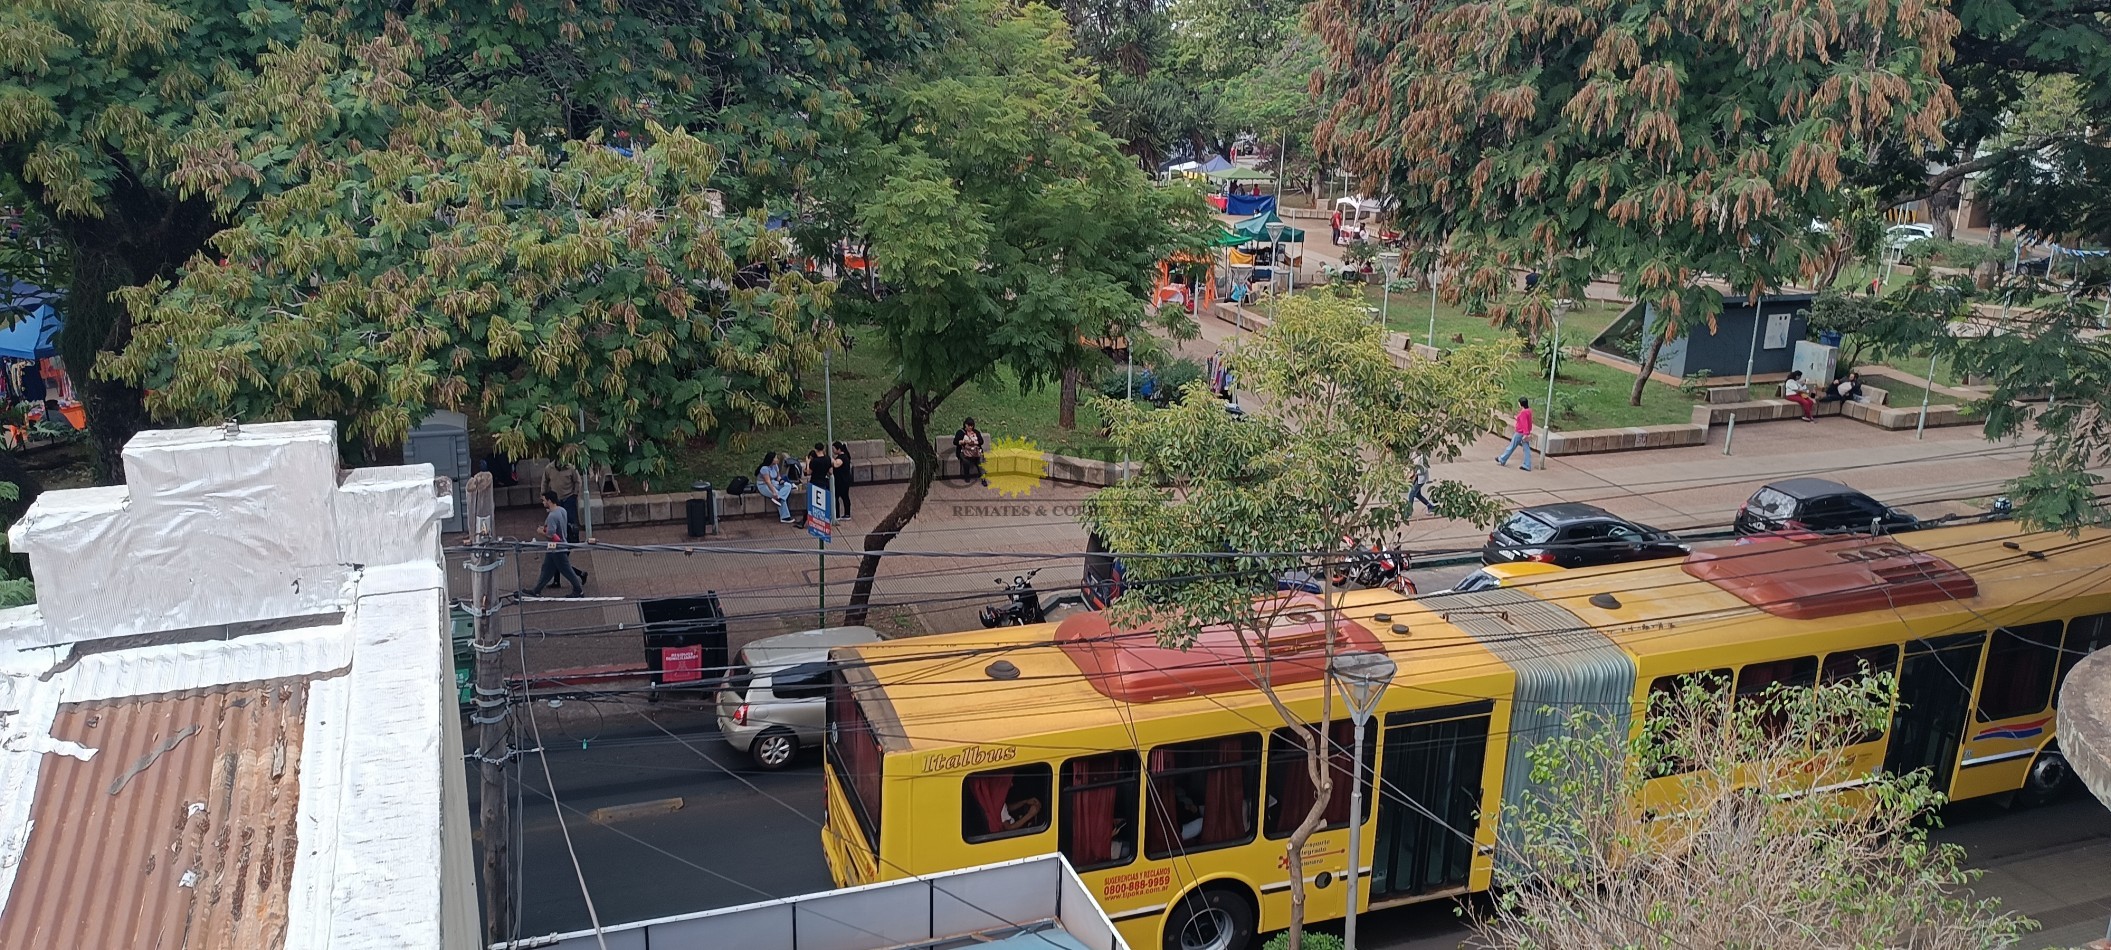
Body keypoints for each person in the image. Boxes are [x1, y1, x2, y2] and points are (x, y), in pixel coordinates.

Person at [518, 491, 586, 598]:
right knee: (547, 568)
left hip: (557, 547)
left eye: (544, 500)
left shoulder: (552, 516)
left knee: (566, 570)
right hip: (559, 545)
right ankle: (536, 590)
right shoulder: (562, 510)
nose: (543, 502)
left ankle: (578, 590)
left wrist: (541, 531)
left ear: (549, 501)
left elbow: (551, 534)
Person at [540, 459, 582, 540]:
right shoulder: (549, 468)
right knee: (558, 522)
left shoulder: (571, 468)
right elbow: (544, 481)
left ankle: (574, 540)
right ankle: (561, 540)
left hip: (569, 498)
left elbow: (578, 481)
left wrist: (575, 494)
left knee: (571, 522)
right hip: (556, 500)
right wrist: (543, 494)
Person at [1495, 397, 1535, 472]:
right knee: (1526, 449)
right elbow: (1527, 421)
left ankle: (1502, 459)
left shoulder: (1523, 413)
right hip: (1525, 432)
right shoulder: (1528, 411)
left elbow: (1524, 423)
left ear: (1521, 404)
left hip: (1520, 432)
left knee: (1511, 446)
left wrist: (1525, 434)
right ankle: (1527, 464)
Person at [756, 451, 795, 523]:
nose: (777, 459)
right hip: (764, 485)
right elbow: (767, 482)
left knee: (788, 485)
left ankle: (780, 497)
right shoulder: (764, 468)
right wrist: (774, 492)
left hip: (773, 482)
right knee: (777, 494)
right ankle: (785, 517)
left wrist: (780, 481)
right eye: (776, 458)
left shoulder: (775, 466)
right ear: (771, 460)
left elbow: (778, 476)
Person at [954, 417, 988, 487]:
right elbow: (955, 442)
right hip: (964, 451)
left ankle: (983, 478)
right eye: (968, 425)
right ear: (965, 425)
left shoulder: (976, 432)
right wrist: (962, 442)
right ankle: (967, 475)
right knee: (966, 460)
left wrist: (974, 442)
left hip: (975, 451)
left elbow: (981, 441)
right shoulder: (960, 432)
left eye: (971, 426)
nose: (970, 427)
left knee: (980, 460)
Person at [1408, 450, 1437, 515]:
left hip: (1421, 477)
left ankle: (1408, 512)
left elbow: (1424, 468)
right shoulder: (1413, 453)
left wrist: (1416, 473)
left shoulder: (1424, 456)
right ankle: (1430, 506)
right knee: (1417, 494)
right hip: (1415, 477)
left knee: (1411, 494)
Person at [831, 441, 854, 521]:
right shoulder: (844, 456)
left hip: (841, 481)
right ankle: (846, 514)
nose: (833, 451)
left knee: (838, 497)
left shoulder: (842, 458)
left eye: (833, 449)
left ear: (839, 449)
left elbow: (836, 464)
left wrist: (831, 459)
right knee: (844, 497)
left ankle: (838, 515)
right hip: (843, 480)